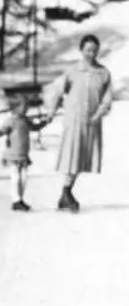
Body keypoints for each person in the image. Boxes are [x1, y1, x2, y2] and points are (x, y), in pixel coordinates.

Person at [44, 33, 114, 212]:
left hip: (92, 122)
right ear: (81, 50)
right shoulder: (73, 71)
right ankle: (66, 193)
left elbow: (107, 99)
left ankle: (65, 194)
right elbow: (58, 92)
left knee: (83, 159)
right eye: (88, 50)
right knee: (72, 156)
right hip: (74, 120)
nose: (91, 53)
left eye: (94, 50)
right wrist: (51, 110)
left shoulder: (103, 73)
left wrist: (98, 115)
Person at [0, 94, 47, 211]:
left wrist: (45, 122)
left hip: (23, 155)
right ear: (15, 108)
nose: (26, 109)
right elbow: (0, 132)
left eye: (27, 107)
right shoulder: (11, 121)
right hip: (13, 155)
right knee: (16, 178)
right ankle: (16, 200)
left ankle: (20, 200)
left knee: (24, 178)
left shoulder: (25, 120)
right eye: (24, 107)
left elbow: (35, 127)